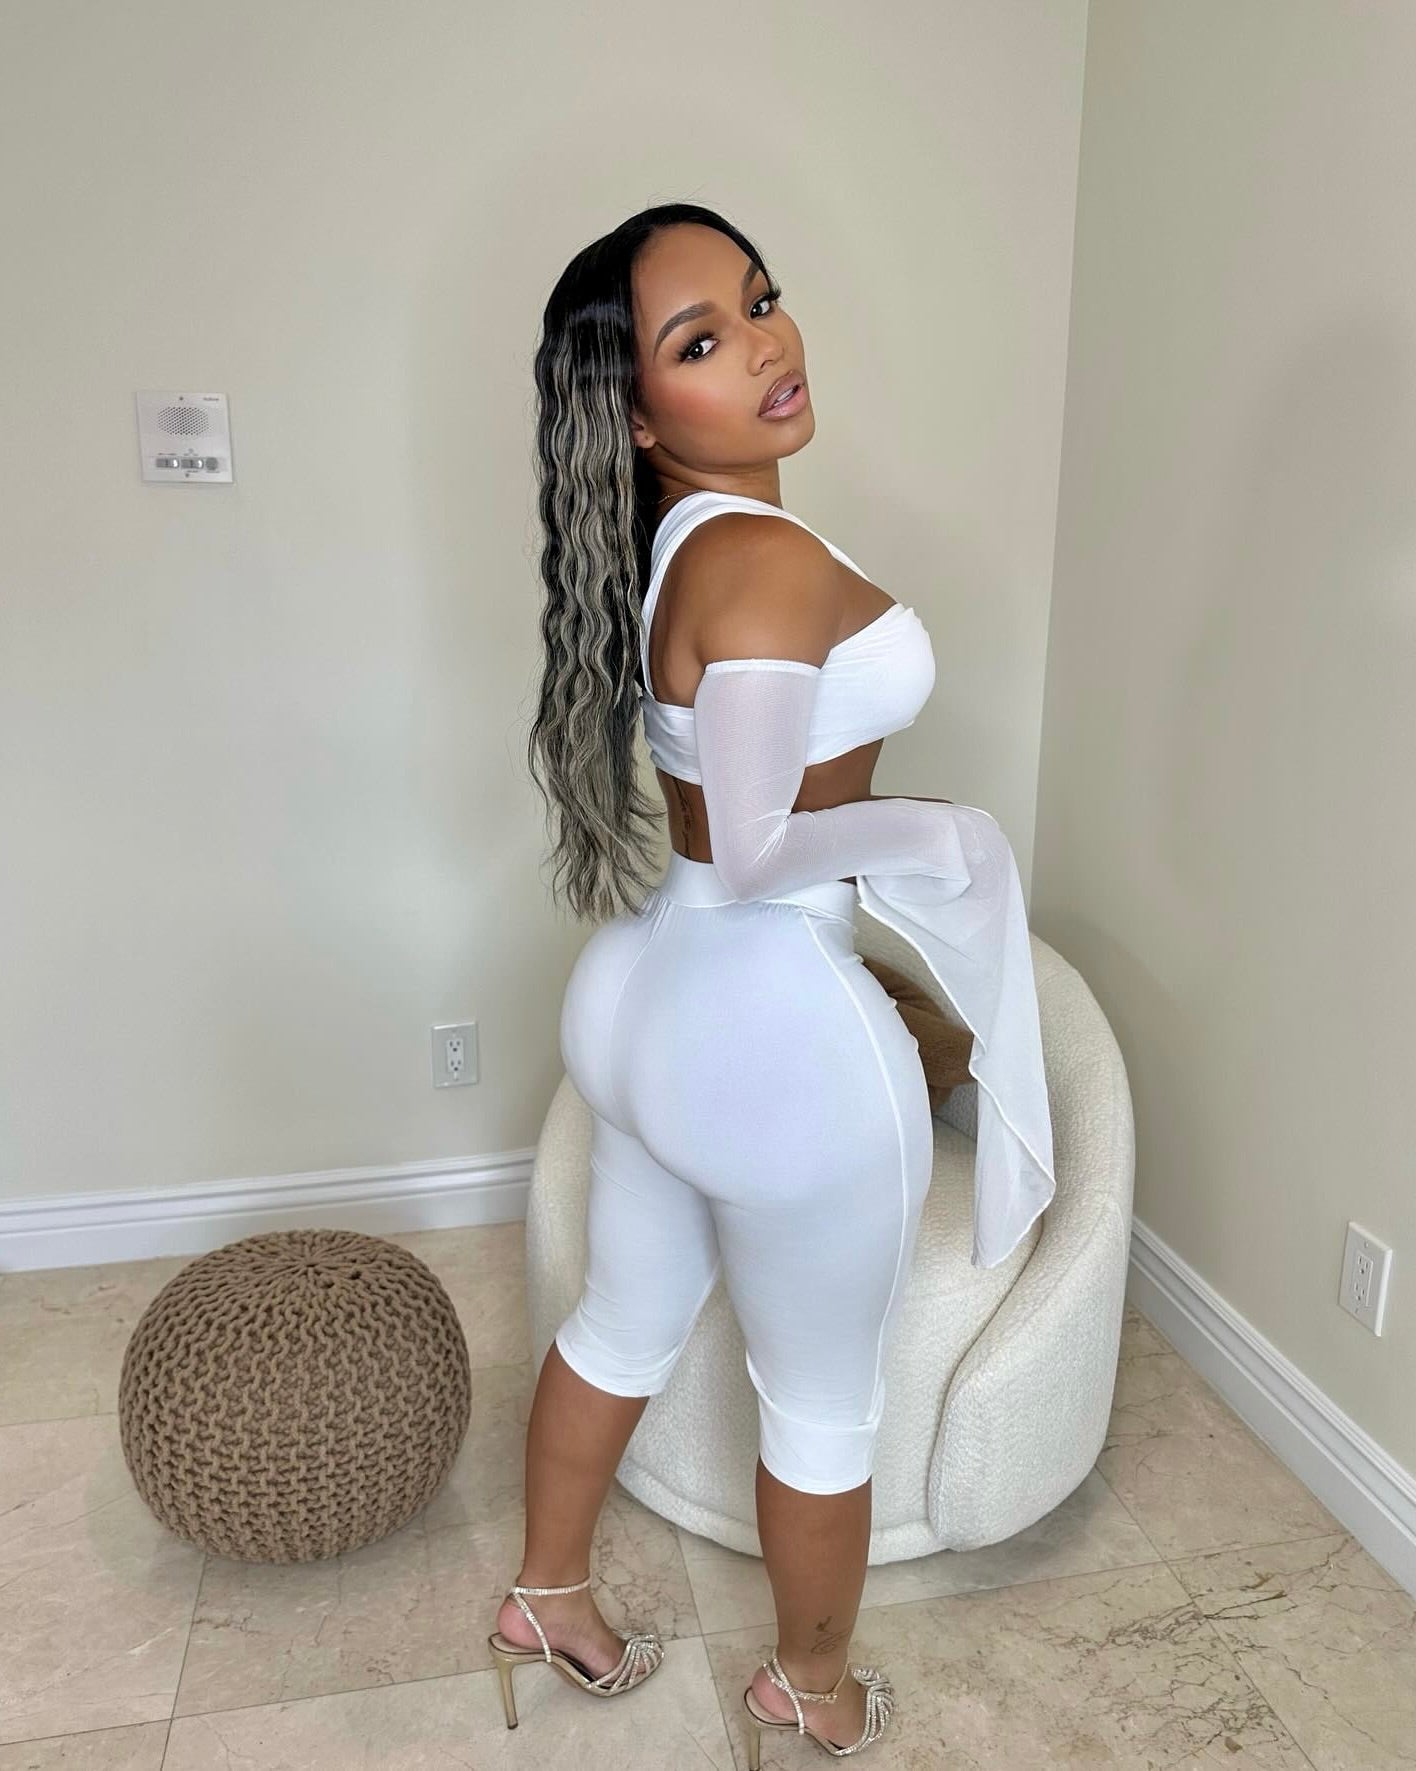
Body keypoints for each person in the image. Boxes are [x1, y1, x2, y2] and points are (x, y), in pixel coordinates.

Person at [492, 202, 1053, 1759]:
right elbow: (755, 851)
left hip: (644, 1002)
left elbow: (721, 843)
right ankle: (812, 1689)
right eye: (702, 340)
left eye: (758, 300)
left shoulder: (681, 544)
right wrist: (942, 833)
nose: (765, 345)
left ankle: (545, 1594)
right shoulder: (758, 561)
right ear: (640, 414)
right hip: (765, 1028)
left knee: (622, 1320)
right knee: (819, 1404)